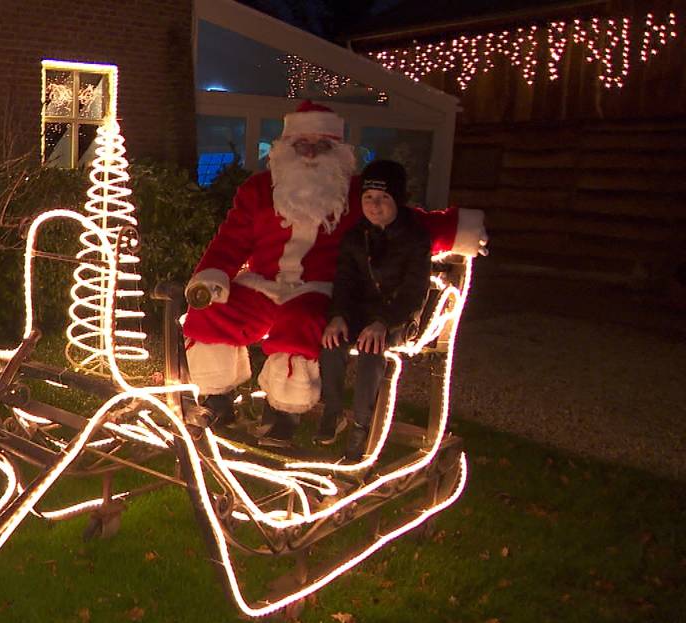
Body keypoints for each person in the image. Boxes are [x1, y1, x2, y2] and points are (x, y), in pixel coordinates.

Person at [182, 100, 484, 445]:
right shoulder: (258, 190)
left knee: (300, 324)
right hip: (262, 284)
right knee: (210, 314)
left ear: (338, 151)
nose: (310, 154)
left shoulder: (356, 194)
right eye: (301, 145)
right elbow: (230, 241)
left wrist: (461, 228)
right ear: (284, 148)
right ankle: (218, 400)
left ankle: (283, 414)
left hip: (320, 289)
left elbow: (408, 223)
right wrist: (212, 277)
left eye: (321, 146)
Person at [316, 160, 431, 461]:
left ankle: (360, 426)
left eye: (383, 199)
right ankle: (333, 410)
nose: (375, 206)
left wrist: (384, 322)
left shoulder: (415, 238)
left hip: (395, 315)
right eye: (369, 198)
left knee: (371, 348)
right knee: (331, 340)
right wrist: (337, 315)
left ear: (397, 199)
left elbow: (413, 292)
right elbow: (344, 280)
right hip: (360, 312)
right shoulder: (357, 236)